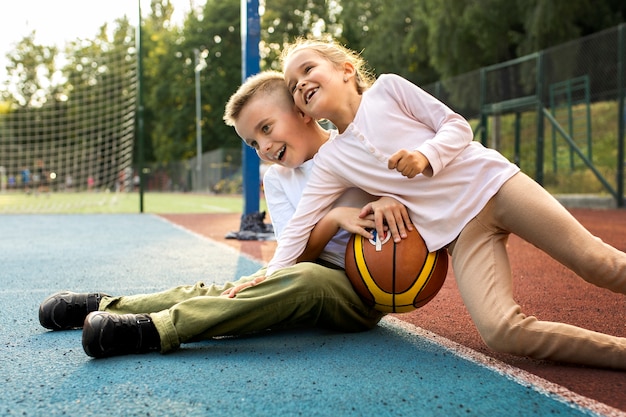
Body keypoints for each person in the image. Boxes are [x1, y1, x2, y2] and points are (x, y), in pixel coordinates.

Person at [252, 38, 626, 370]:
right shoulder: (332, 161)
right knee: (501, 332)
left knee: (598, 263)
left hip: (495, 186)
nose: (300, 83)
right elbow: (299, 226)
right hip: (462, 235)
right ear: (302, 110)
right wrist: (265, 279)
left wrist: (425, 156)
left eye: (307, 69)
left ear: (346, 69)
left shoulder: (389, 89)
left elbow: (457, 126)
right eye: (292, 85)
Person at [38, 71, 403, 358]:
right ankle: (110, 305)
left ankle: (157, 328)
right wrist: (334, 218)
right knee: (225, 289)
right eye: (253, 143)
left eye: (266, 128)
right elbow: (296, 255)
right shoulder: (277, 180)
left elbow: (408, 189)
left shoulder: (351, 148)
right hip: (297, 269)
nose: (264, 147)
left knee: (304, 281)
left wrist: (390, 197)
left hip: (363, 288)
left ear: (302, 112)